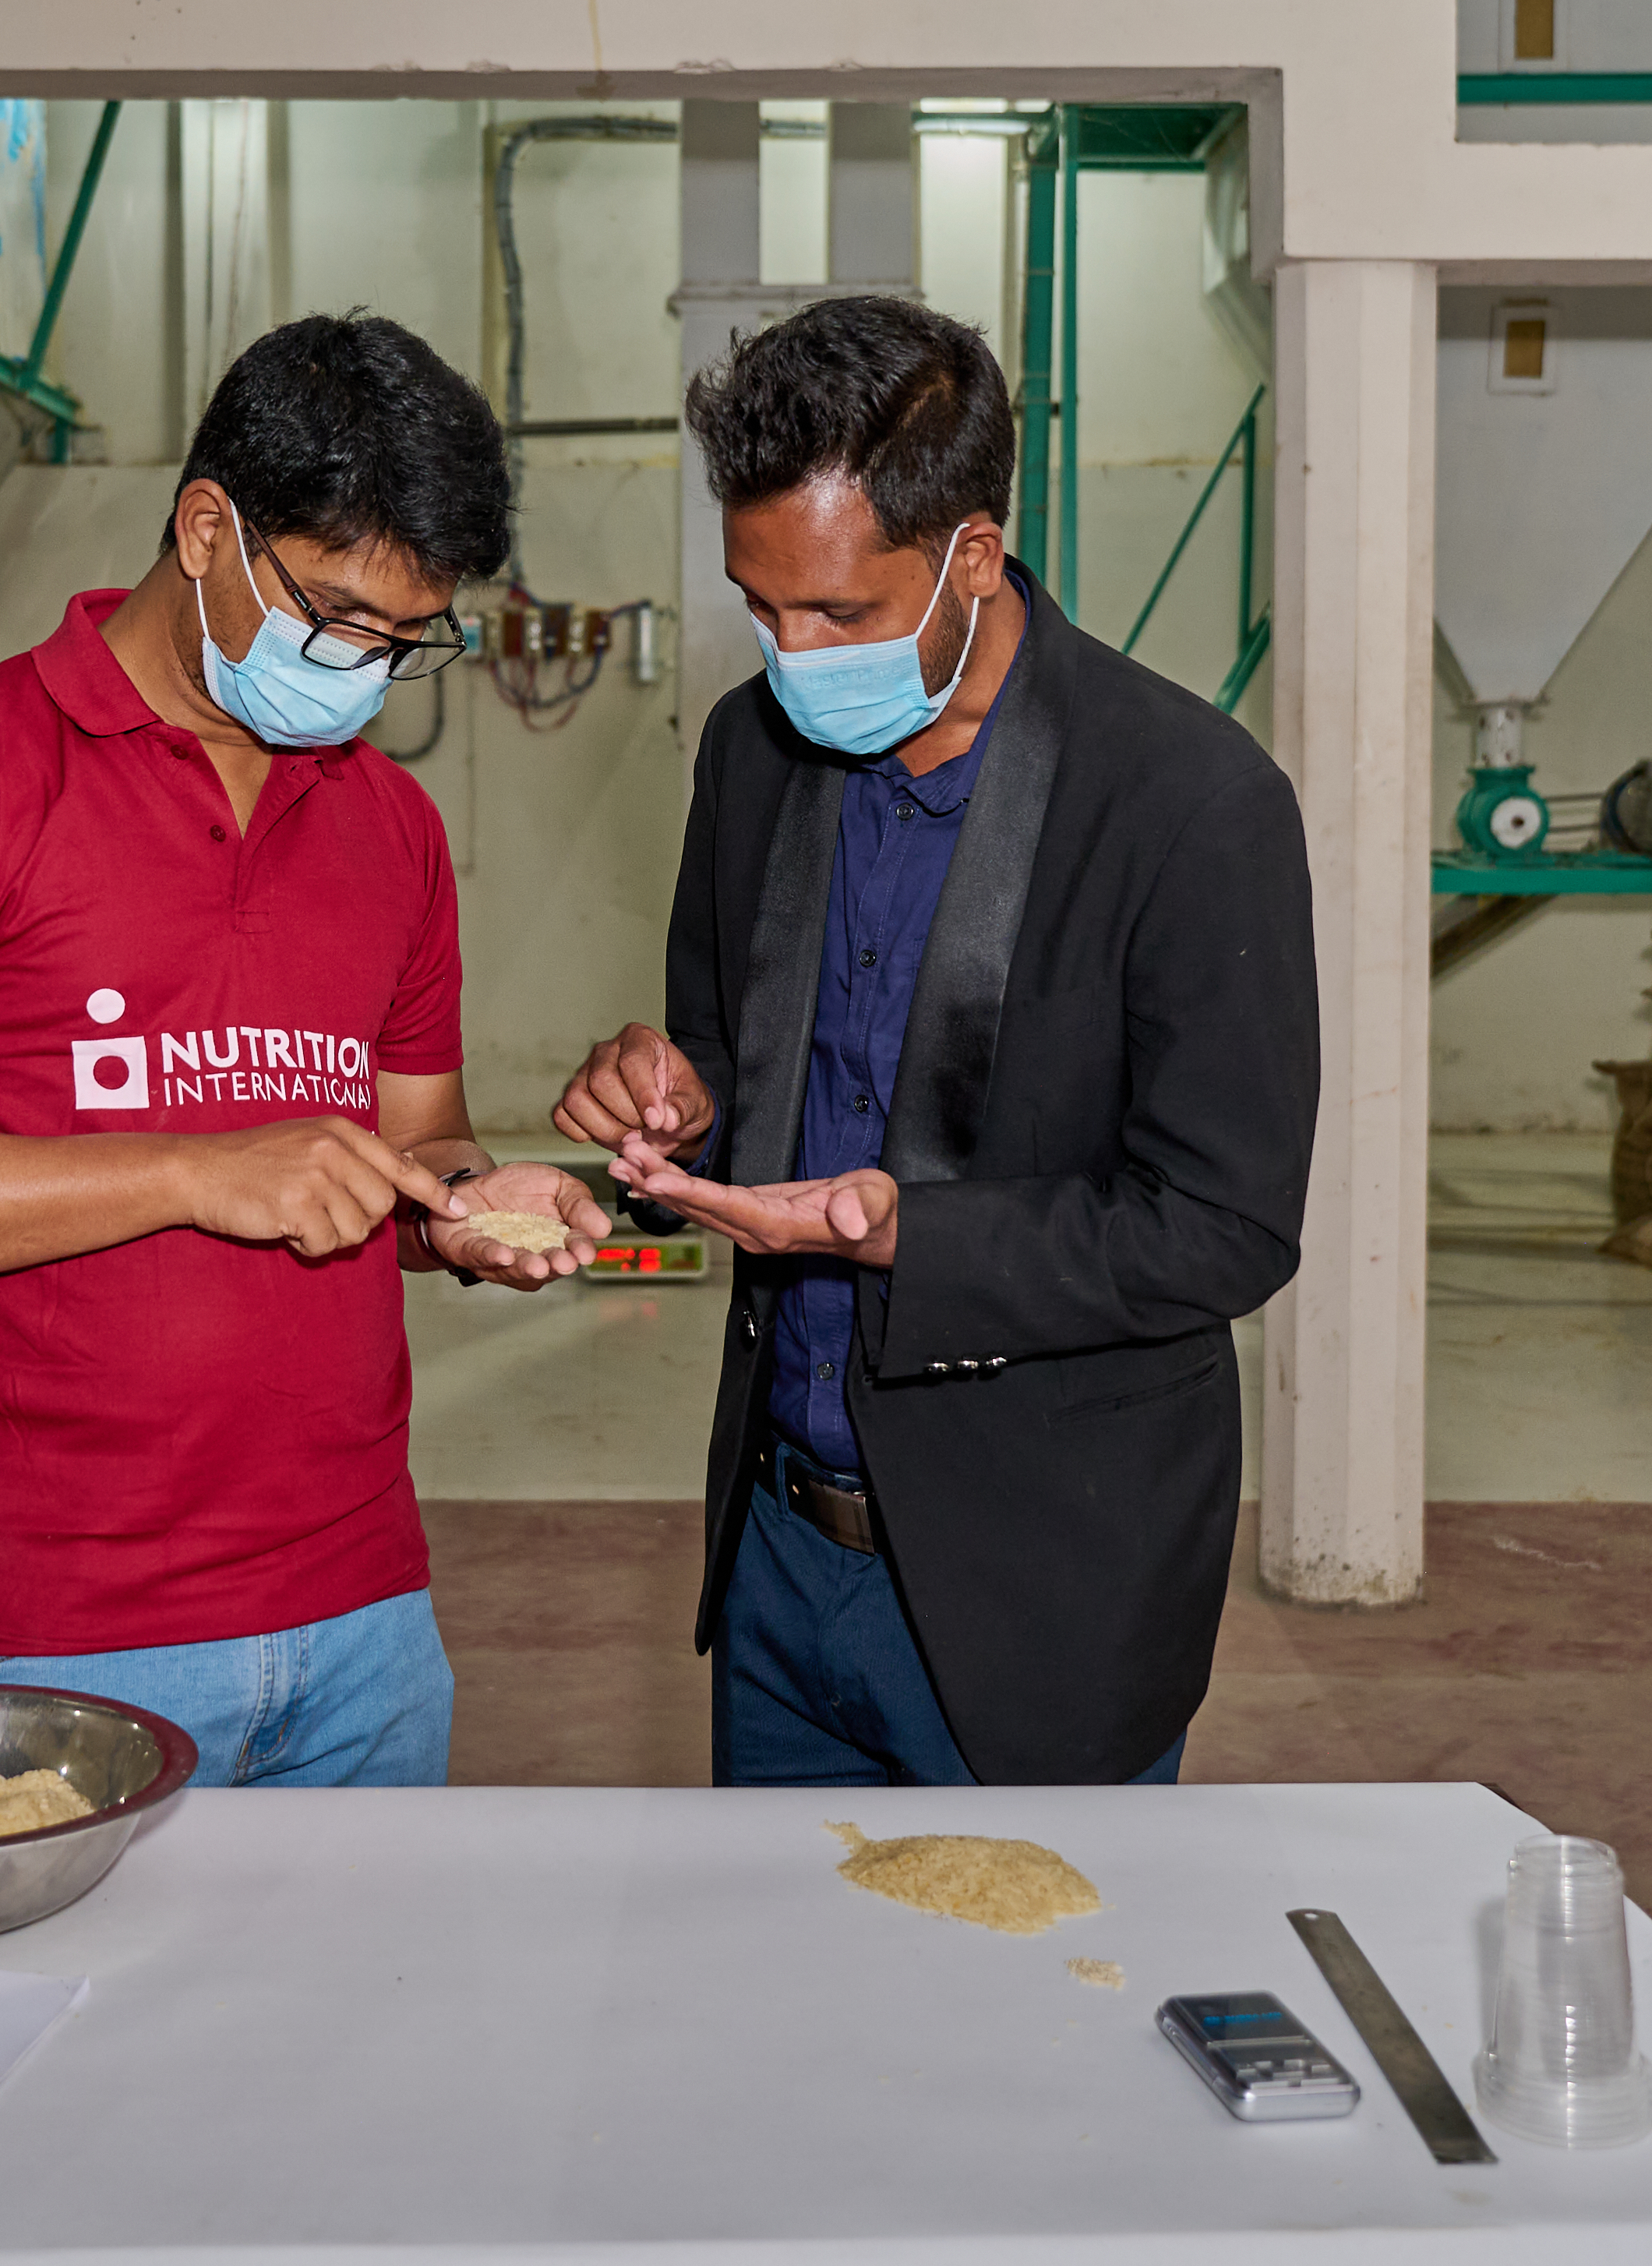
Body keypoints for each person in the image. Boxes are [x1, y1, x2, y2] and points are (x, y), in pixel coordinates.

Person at [0, 313, 609, 1788]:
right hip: (43, 1625)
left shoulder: (388, 825)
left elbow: (419, 1138)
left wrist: (473, 1206)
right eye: (336, 616)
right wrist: (198, 1173)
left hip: (362, 1619)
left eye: (403, 643)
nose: (360, 669)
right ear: (207, 527)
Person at [549, 294, 1318, 1791]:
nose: (790, 653)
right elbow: (722, 1053)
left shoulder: (1187, 801)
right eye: (759, 607)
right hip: (777, 1557)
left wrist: (914, 1234)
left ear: (973, 555)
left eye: (838, 614)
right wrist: (674, 1102)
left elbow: (1226, 1226)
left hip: (1040, 1582)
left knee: (1033, 2011)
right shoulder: (751, 755)